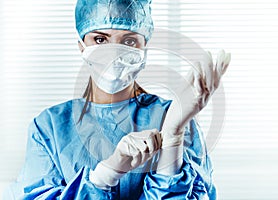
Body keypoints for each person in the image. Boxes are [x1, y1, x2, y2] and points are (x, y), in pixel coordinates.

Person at [4, 0, 231, 199]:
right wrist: (107, 174)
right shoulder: (49, 128)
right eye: (100, 40)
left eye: (129, 41)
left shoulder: (175, 118)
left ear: (145, 49)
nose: (114, 52)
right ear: (81, 46)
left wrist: (172, 138)